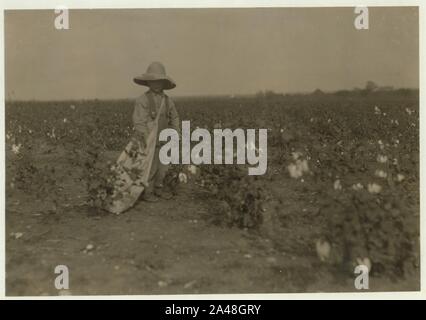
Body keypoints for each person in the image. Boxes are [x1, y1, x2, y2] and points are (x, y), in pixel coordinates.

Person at [132, 62, 180, 202]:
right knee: (150, 166)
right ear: (148, 82)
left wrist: (176, 131)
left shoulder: (167, 100)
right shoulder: (143, 100)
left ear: (163, 83)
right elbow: (139, 121)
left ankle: (159, 188)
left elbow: (174, 116)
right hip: (149, 138)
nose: (156, 85)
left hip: (163, 138)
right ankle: (148, 192)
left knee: (164, 166)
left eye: (159, 82)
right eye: (153, 82)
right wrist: (145, 137)